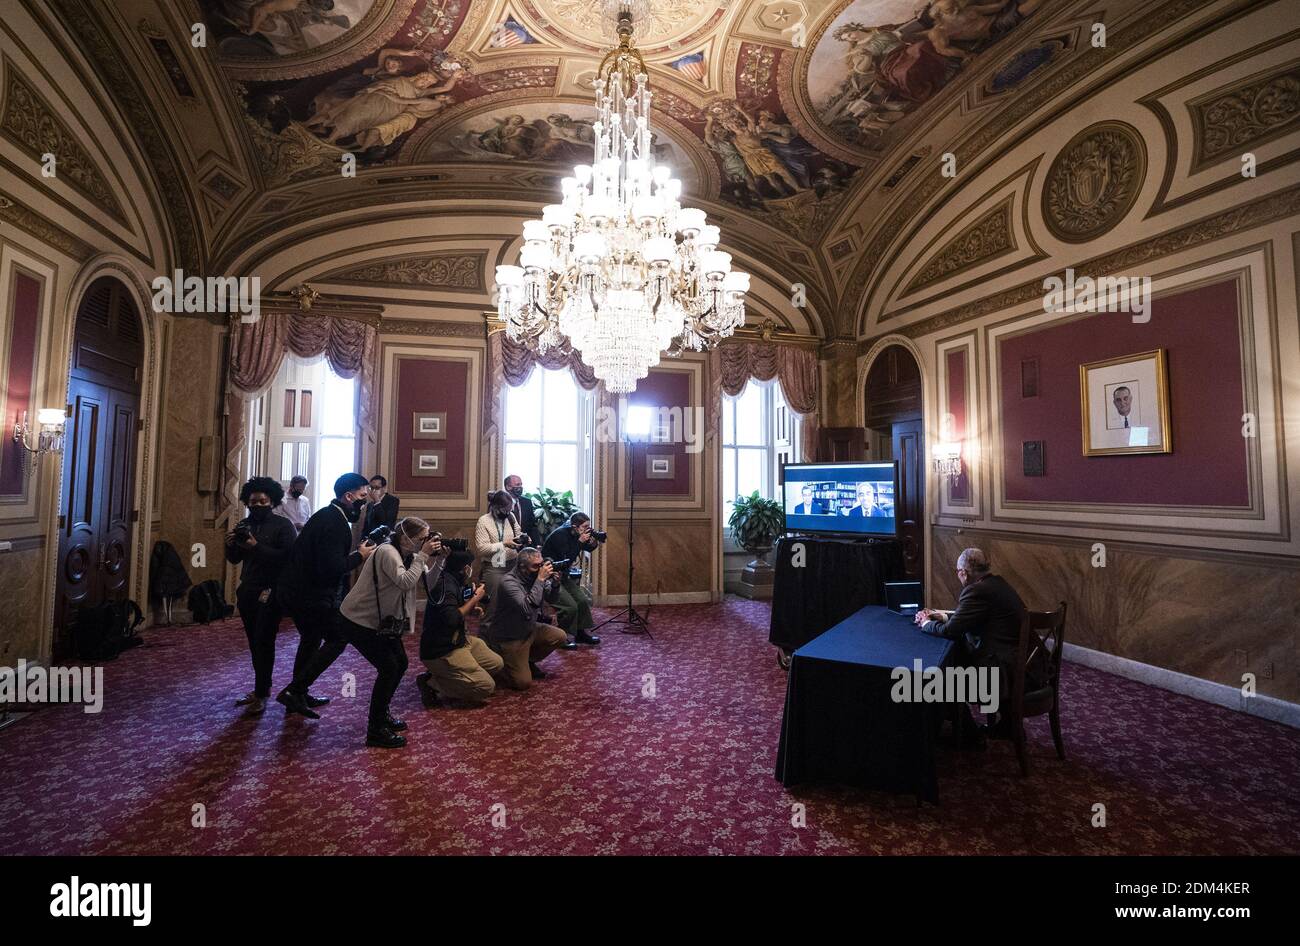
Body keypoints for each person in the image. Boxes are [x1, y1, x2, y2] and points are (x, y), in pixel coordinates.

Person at [333, 517, 442, 747]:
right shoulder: (387, 552)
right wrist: (423, 554)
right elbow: (404, 582)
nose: (427, 542)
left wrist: (440, 560)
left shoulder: (410, 555)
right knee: (389, 667)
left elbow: (428, 583)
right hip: (358, 619)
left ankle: (382, 716)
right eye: (423, 538)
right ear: (406, 538)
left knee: (400, 663)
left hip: (382, 621)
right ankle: (375, 730)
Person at [274, 472, 376, 718]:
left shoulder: (329, 515)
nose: (365, 502)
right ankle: (295, 689)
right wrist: (359, 556)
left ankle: (298, 694)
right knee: (338, 638)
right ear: (348, 497)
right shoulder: (334, 523)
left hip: (299, 591)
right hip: (309, 594)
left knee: (310, 640)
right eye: (363, 496)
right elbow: (331, 567)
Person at [914, 548, 1046, 731]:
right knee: (960, 656)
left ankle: (968, 734)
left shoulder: (976, 591)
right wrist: (942, 616)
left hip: (1007, 675)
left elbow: (950, 631)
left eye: (958, 573)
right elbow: (976, 618)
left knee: (942, 677)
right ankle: (1006, 727)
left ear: (963, 573)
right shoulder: (997, 584)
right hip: (1030, 666)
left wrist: (926, 623)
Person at [225, 476, 297, 714]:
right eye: (253, 501)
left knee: (264, 641)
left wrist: (256, 546)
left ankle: (262, 692)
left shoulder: (283, 526)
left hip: (272, 590)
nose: (257, 505)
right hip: (247, 589)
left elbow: (287, 559)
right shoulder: (244, 525)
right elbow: (235, 559)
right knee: (253, 642)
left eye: (263, 501)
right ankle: (260, 689)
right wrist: (231, 545)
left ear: (272, 500)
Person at [416, 549, 502, 707]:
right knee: (485, 687)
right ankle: (431, 683)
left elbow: (453, 610)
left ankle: (449, 675)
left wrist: (472, 607)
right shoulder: (446, 586)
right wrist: (475, 599)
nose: (471, 569)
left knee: (496, 664)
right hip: (442, 650)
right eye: (470, 565)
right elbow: (452, 618)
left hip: (459, 640)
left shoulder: (454, 579)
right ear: (464, 567)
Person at [486, 548, 568, 689]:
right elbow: (529, 607)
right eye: (535, 566)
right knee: (523, 683)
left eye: (541, 564)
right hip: (510, 636)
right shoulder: (508, 582)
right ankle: (504, 663)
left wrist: (555, 585)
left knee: (560, 636)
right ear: (522, 567)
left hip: (529, 628)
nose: (540, 569)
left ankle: (528, 660)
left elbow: (552, 599)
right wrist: (541, 579)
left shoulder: (533, 577)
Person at [540, 512, 602, 646]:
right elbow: (567, 560)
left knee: (582, 600)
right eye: (585, 526)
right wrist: (580, 542)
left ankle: (580, 634)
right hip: (550, 576)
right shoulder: (560, 535)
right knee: (570, 606)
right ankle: (561, 638)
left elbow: (589, 548)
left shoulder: (575, 533)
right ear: (575, 526)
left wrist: (593, 540)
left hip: (563, 575)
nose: (587, 528)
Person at [474, 489, 526, 629]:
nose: (508, 513)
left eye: (510, 509)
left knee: (515, 602)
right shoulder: (484, 521)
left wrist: (523, 538)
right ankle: (487, 634)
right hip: (494, 567)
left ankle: (508, 632)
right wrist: (504, 544)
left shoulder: (511, 517)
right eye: (505, 510)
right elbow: (481, 549)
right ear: (495, 507)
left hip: (512, 564)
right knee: (493, 604)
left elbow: (517, 532)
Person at [504, 474, 542, 546]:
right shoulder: (500, 503)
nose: (520, 487)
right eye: (517, 485)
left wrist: (537, 545)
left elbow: (532, 526)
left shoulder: (527, 502)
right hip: (506, 545)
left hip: (525, 545)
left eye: (521, 485)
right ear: (508, 487)